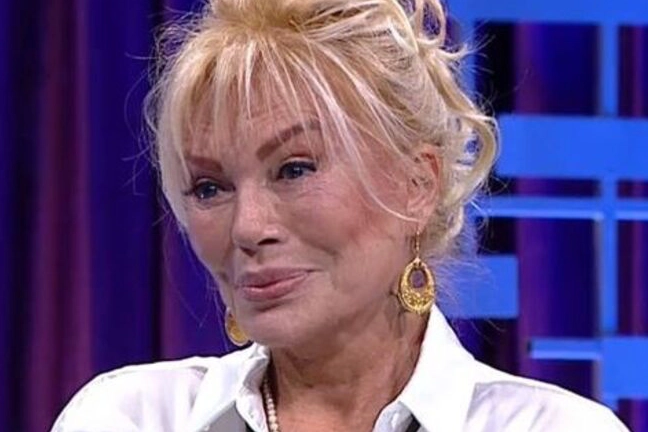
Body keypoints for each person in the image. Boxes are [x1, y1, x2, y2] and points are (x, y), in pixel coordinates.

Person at [51, 0, 629, 431]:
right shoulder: (129, 418)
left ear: (417, 184)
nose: (247, 228)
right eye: (209, 187)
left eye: (294, 169)